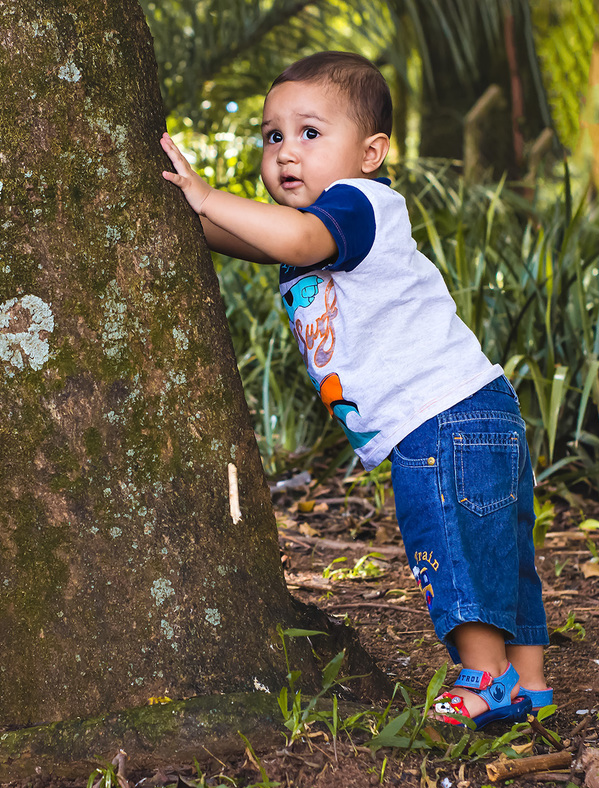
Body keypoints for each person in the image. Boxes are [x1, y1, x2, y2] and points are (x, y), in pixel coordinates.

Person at [160, 51, 550, 728]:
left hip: (440, 419)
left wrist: (208, 196)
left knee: (454, 548)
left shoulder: (355, 206)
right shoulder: (321, 227)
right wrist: (185, 214)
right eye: (272, 135)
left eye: (311, 133)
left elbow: (294, 235)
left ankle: (486, 679)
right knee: (499, 553)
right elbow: (256, 241)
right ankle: (529, 683)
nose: (286, 151)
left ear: (371, 152)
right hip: (472, 409)